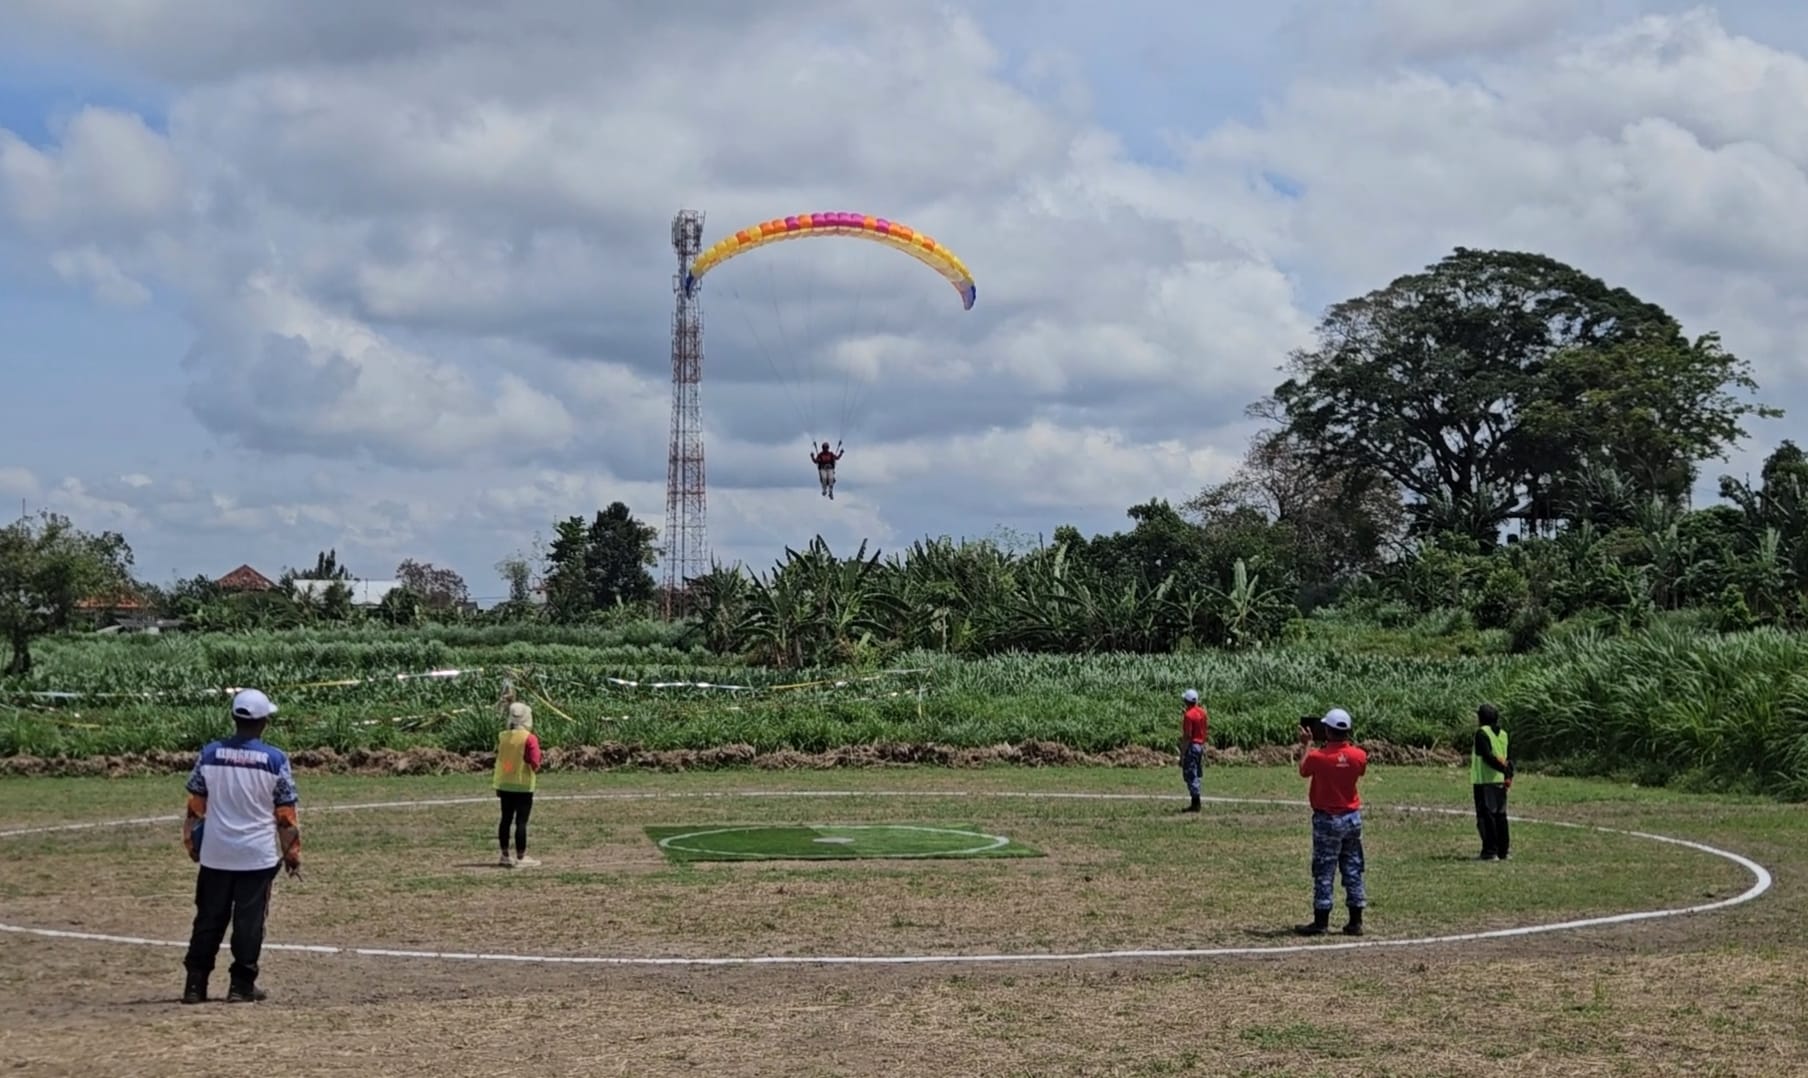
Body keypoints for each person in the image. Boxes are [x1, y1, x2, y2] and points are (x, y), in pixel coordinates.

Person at [180, 688, 301, 1004]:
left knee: (208, 919)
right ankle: (241, 985)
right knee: (249, 923)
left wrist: (192, 844)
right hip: (256, 856)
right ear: (263, 722)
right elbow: (285, 815)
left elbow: (195, 807)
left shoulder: (210, 754)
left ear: (234, 718)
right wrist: (291, 853)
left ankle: (195, 985)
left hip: (216, 854)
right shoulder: (275, 760)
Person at [1293, 707, 1368, 937]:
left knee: (1324, 869)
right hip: (1352, 818)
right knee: (1353, 867)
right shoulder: (1359, 755)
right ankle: (1355, 920)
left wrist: (1307, 744)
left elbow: (1303, 769)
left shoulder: (1318, 757)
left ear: (1327, 730)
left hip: (1327, 819)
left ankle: (1321, 920)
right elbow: (1359, 770)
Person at [494, 700, 542, 867]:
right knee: (521, 822)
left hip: (505, 783)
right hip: (523, 785)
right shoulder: (530, 738)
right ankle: (521, 857)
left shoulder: (503, 736)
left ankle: (504, 855)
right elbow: (535, 762)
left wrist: (510, 770)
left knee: (505, 819)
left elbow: (504, 759)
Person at [1472, 702, 1513, 861]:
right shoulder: (1503, 734)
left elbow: (1488, 757)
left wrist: (1502, 770)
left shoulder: (1481, 733)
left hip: (1485, 781)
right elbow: (1508, 758)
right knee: (1500, 816)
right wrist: (1508, 774)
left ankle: (1490, 851)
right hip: (1500, 782)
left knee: (1486, 817)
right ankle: (1503, 851)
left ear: (1481, 718)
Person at [1178, 689, 1208, 812]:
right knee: (1197, 772)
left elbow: (1187, 736)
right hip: (1200, 745)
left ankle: (1196, 803)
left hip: (1192, 746)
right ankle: (1196, 802)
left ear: (1186, 701)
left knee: (1191, 773)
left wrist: (1182, 754)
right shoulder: (1203, 713)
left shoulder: (1188, 715)